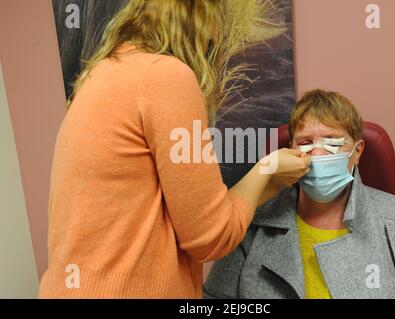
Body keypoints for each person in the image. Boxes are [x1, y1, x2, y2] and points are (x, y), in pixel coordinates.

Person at [39, 0, 311, 298]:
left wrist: (268, 183)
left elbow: (174, 213)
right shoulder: (166, 77)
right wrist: (267, 168)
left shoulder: (103, 72)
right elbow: (211, 238)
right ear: (202, 20)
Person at [204, 89, 395, 299]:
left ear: (357, 151)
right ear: (289, 151)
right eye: (305, 143)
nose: (318, 155)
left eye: (332, 143)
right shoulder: (250, 226)